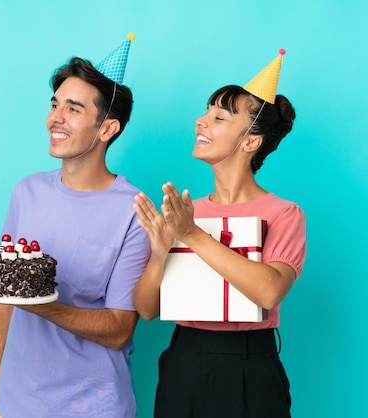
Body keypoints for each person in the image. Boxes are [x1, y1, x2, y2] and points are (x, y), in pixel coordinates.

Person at [0, 36, 151, 418]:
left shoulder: (135, 211)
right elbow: (5, 307)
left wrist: (37, 302)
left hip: (95, 406)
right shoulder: (26, 192)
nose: (55, 118)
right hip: (16, 402)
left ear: (106, 129)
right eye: (55, 104)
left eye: (73, 109)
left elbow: (119, 327)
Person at [132, 50, 306, 417]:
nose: (201, 122)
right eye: (205, 113)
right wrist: (161, 251)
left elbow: (270, 290)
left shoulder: (283, 214)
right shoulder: (183, 211)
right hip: (183, 361)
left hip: (250, 365)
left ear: (250, 142)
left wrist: (192, 235)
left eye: (218, 117)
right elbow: (146, 309)